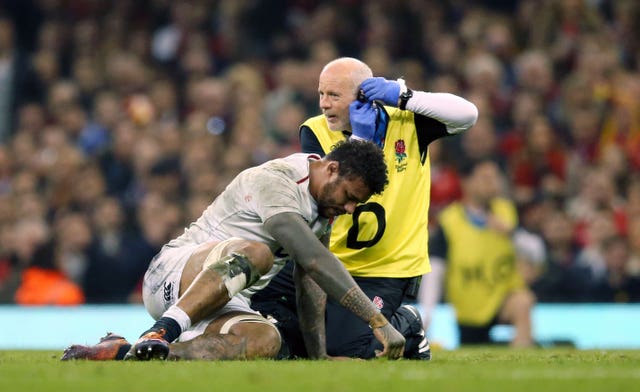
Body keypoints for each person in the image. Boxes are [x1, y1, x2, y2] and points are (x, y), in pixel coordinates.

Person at [62, 139, 406, 361]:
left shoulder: (321, 206)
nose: (349, 209)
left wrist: (319, 359)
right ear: (331, 169)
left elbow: (310, 285)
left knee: (265, 340)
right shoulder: (279, 178)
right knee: (259, 253)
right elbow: (316, 261)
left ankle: (131, 352)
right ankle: (161, 331)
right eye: (349, 197)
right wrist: (377, 320)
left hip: (223, 299)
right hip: (173, 273)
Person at [251, 57, 478, 359]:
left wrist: (403, 96)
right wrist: (359, 140)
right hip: (331, 262)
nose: (323, 104)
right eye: (321, 94)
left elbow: (467, 115)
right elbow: (325, 194)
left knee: (349, 349)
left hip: (384, 269)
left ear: (363, 95)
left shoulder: (406, 122)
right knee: (258, 300)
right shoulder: (314, 131)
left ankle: (408, 324)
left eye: (334, 95)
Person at [419, 159, 535, 347]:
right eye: (485, 178)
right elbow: (435, 270)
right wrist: (428, 313)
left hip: (502, 298)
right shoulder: (449, 222)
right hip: (468, 310)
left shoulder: (507, 211)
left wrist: (512, 234)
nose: (493, 184)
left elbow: (536, 251)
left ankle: (524, 358)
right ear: (467, 182)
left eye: (495, 177)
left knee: (523, 301)